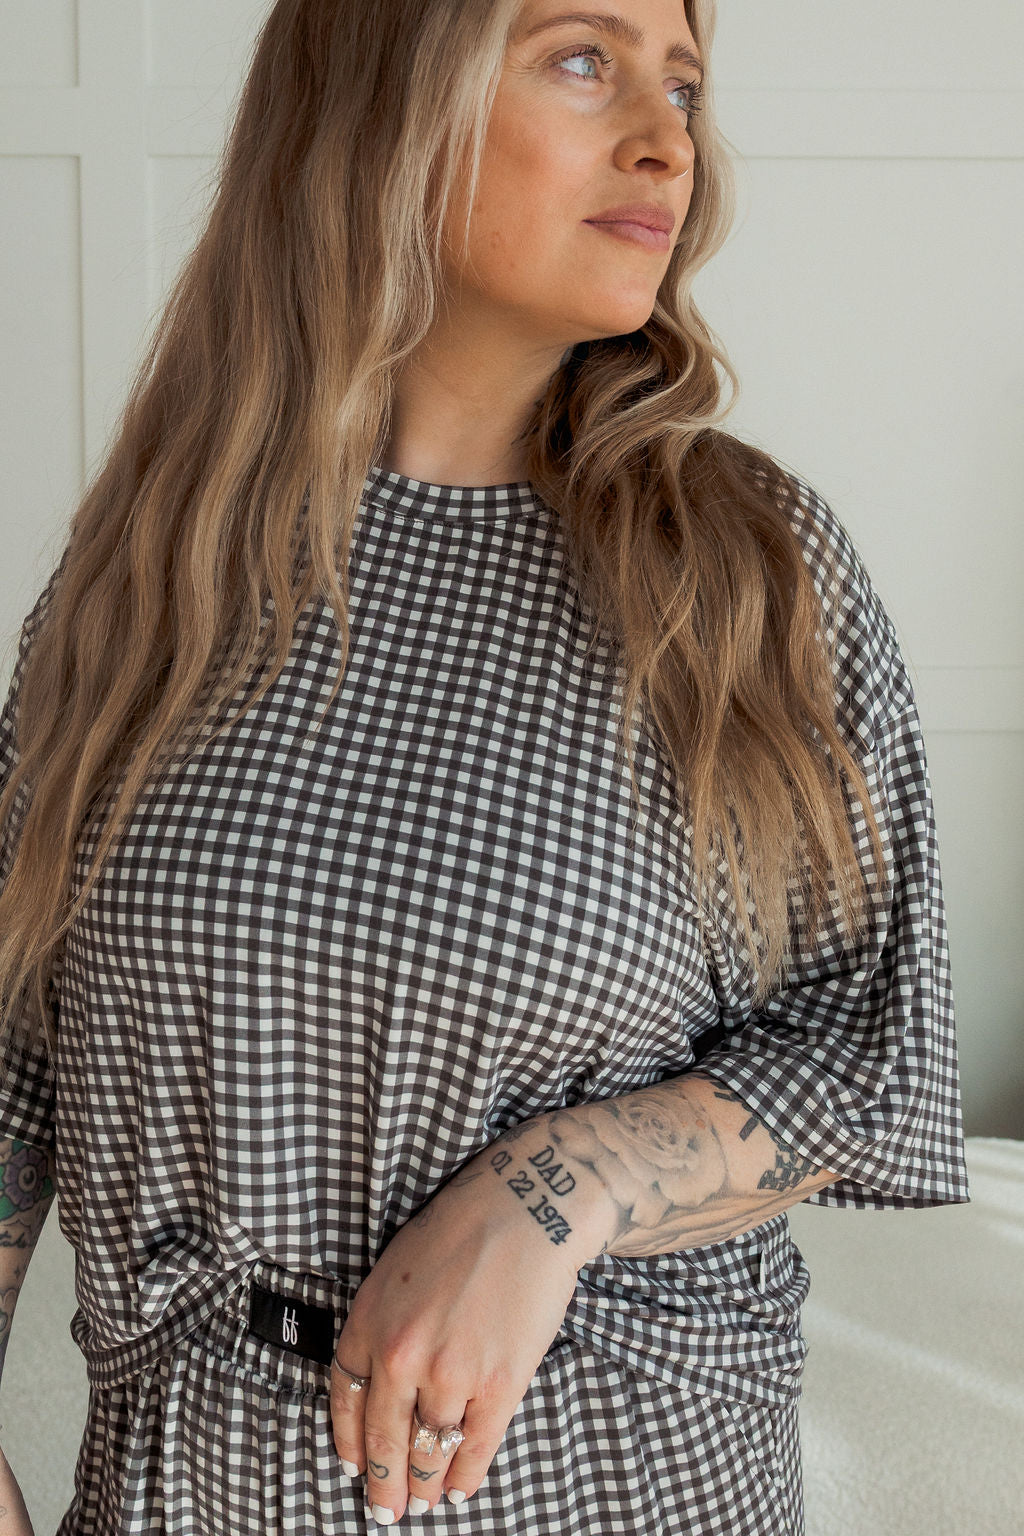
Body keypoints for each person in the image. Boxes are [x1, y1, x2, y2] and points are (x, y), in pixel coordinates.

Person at [0, 1, 969, 1532]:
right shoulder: (146, 583)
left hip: (616, 1476)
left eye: (686, 84)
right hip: (187, 1483)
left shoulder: (748, 574)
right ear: (381, 99)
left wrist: (559, 1190)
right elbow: (11, 1053)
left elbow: (865, 1049)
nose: (670, 140)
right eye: (585, 59)